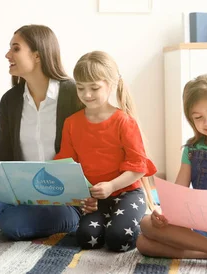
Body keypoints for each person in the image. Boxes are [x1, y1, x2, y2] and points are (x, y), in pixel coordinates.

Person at [0, 25, 84, 240]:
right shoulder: (10, 100)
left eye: (15, 48)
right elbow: (4, 158)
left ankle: (58, 218)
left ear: (37, 55)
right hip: (17, 192)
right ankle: (10, 213)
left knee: (12, 223)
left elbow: (91, 151)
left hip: (64, 198)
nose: (7, 55)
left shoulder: (73, 94)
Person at [136, 74, 207, 274]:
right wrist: (163, 214)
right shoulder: (192, 149)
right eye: (198, 117)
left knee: (149, 240)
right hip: (197, 218)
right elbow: (178, 193)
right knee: (144, 235)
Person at [54, 51, 156, 252]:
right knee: (86, 239)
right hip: (95, 197)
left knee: (119, 239)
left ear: (110, 85)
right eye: (81, 88)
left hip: (127, 192)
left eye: (94, 88)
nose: (87, 94)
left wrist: (111, 186)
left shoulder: (124, 122)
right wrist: (82, 196)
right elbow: (67, 165)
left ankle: (137, 222)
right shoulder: (72, 123)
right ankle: (114, 221)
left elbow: (138, 168)